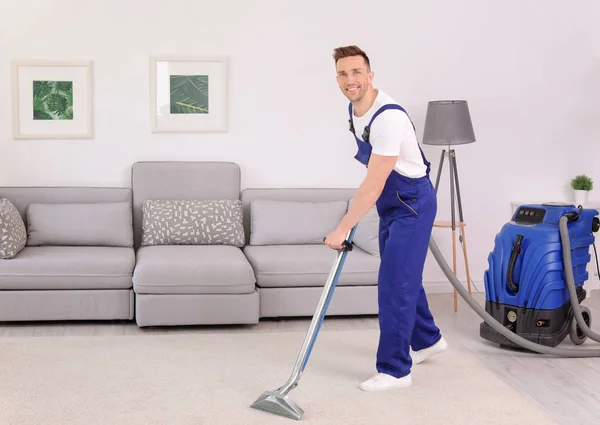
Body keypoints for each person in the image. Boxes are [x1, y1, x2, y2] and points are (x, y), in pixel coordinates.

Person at [324, 45, 447, 391]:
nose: (351, 80)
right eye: (343, 74)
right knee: (402, 276)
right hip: (393, 205)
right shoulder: (354, 109)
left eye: (357, 72)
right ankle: (427, 340)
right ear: (337, 79)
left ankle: (395, 370)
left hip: (412, 203)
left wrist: (343, 226)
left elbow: (375, 182)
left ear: (370, 74)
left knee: (395, 284)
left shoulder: (387, 117)